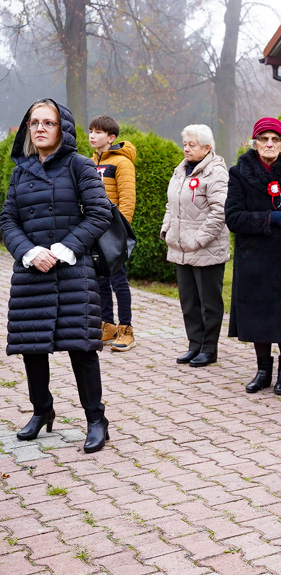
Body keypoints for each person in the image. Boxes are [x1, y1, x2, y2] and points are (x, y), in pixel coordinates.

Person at [0, 98, 112, 453]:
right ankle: (41, 411)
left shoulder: (80, 166)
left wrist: (64, 249)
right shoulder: (21, 172)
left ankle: (96, 420)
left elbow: (99, 213)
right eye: (35, 123)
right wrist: (29, 252)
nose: (41, 129)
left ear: (62, 128)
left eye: (48, 122)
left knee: (81, 348)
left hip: (72, 272)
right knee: (32, 348)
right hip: (32, 272)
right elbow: (7, 220)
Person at [226, 118, 281, 395]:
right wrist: (270, 218)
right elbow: (233, 217)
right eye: (264, 139)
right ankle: (263, 370)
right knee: (257, 316)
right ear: (255, 143)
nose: (270, 144)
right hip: (254, 258)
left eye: (275, 139)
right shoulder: (239, 173)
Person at [160, 124, 230, 368]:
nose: (186, 148)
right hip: (180, 248)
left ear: (207, 148)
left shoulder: (215, 172)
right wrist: (167, 230)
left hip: (206, 249)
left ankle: (209, 349)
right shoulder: (181, 170)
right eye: (185, 144)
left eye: (192, 145)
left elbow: (219, 212)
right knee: (189, 301)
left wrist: (198, 240)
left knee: (209, 302)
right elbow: (172, 205)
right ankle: (194, 345)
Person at [89, 115, 137, 352]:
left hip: (113, 232)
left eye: (97, 132)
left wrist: (120, 233)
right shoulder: (89, 162)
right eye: (90, 131)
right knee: (100, 281)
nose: (91, 136)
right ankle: (107, 324)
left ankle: (126, 328)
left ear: (111, 138)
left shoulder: (122, 163)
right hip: (94, 231)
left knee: (119, 281)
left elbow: (127, 200)